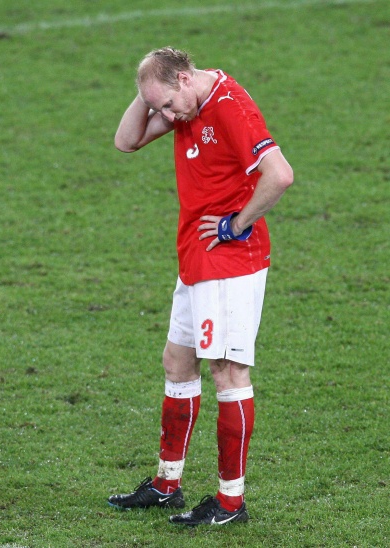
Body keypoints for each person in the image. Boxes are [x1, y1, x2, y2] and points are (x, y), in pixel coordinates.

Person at [108, 47, 293, 526]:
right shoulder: (185, 101)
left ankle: (231, 502)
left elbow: (280, 175)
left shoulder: (229, 106)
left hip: (229, 261)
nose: (168, 117)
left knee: (228, 374)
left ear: (186, 79)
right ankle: (167, 484)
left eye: (168, 104)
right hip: (195, 256)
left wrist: (237, 224)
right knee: (177, 361)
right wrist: (149, 93)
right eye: (160, 109)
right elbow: (126, 141)